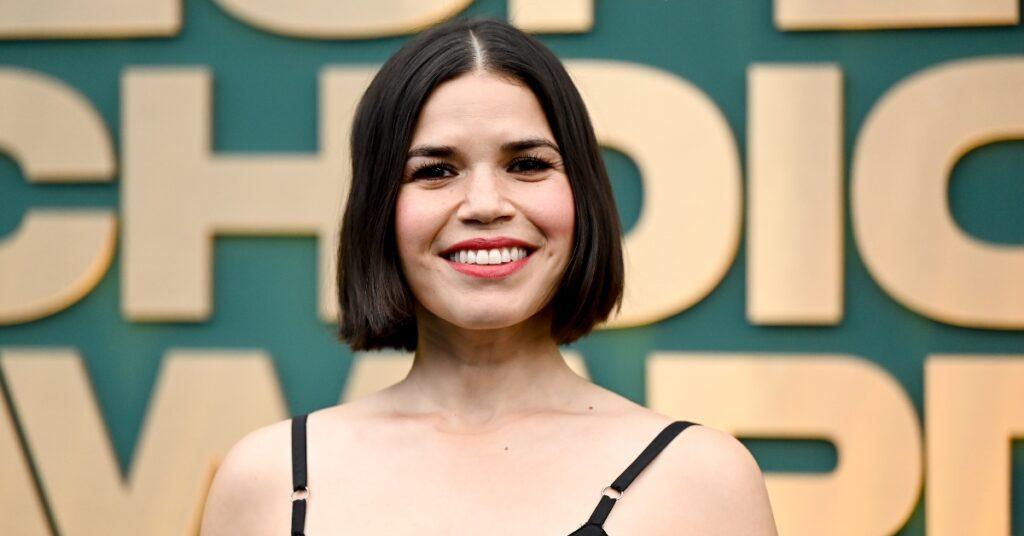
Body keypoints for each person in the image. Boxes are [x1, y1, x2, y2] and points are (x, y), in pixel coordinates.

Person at [200, 17, 777, 535]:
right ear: (377, 208)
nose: (484, 204)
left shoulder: (701, 479)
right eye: (435, 170)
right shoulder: (269, 479)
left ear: (583, 193)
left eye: (526, 165)